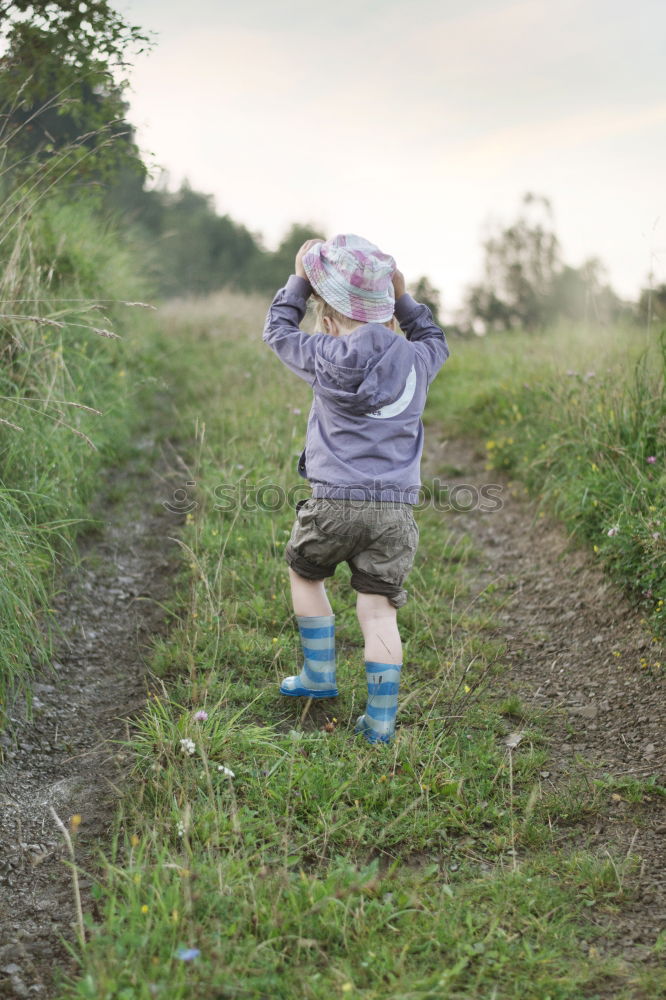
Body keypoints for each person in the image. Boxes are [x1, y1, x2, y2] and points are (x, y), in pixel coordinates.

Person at [263, 234, 449, 743]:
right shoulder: (418, 360)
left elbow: (277, 330)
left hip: (333, 504)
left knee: (305, 573)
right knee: (378, 610)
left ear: (327, 322)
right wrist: (405, 297)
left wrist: (299, 277)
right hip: (394, 515)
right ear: (391, 319)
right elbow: (435, 338)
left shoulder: (322, 352)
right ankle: (381, 721)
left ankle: (318, 676)